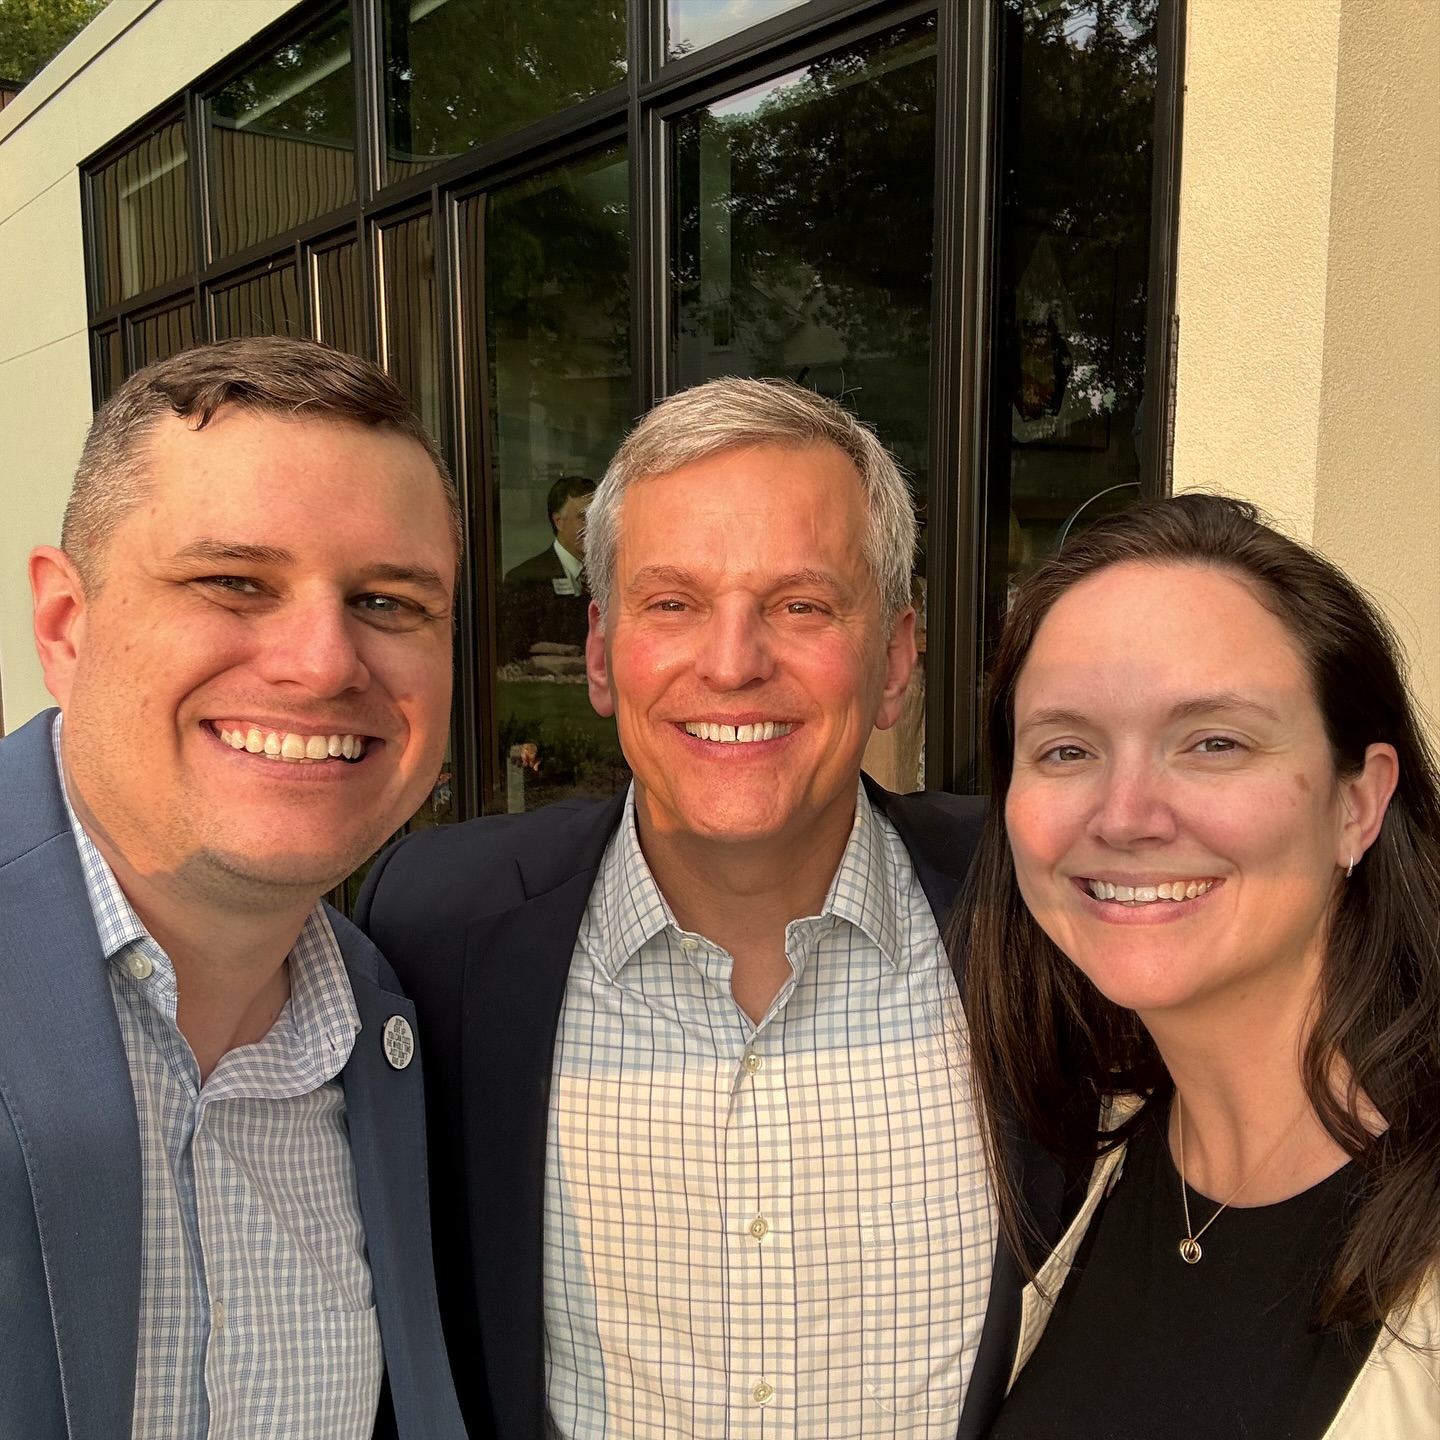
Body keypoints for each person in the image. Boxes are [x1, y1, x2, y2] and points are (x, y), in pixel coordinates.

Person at [358, 378, 1063, 1440]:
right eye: (674, 603)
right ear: (601, 653)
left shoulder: (1043, 907)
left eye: (802, 605)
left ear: (898, 660)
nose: (733, 664)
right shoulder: (435, 927)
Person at [1, 337, 468, 1440]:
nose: (322, 662)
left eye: (390, 602)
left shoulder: (381, 1023)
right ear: (66, 623)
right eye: (233, 583)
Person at [957, 495, 1440, 1439]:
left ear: (1358, 803)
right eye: (1066, 749)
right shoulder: (1077, 1158)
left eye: (1214, 742)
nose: (1126, 814)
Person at [497, 474, 597, 663]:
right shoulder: (524, 580)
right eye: (583, 517)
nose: (591, 527)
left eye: (596, 517)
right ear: (558, 521)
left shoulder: (613, 575)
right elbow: (515, 651)